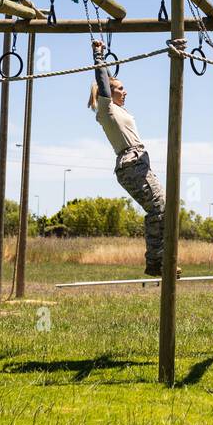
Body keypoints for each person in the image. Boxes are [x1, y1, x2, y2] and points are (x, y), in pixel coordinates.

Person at [87, 39, 174, 278]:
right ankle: (157, 261)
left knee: (164, 209)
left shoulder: (120, 111)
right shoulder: (106, 109)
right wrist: (98, 55)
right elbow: (102, 82)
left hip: (139, 163)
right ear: (109, 93)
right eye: (120, 89)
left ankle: (159, 259)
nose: (125, 92)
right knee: (160, 209)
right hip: (131, 164)